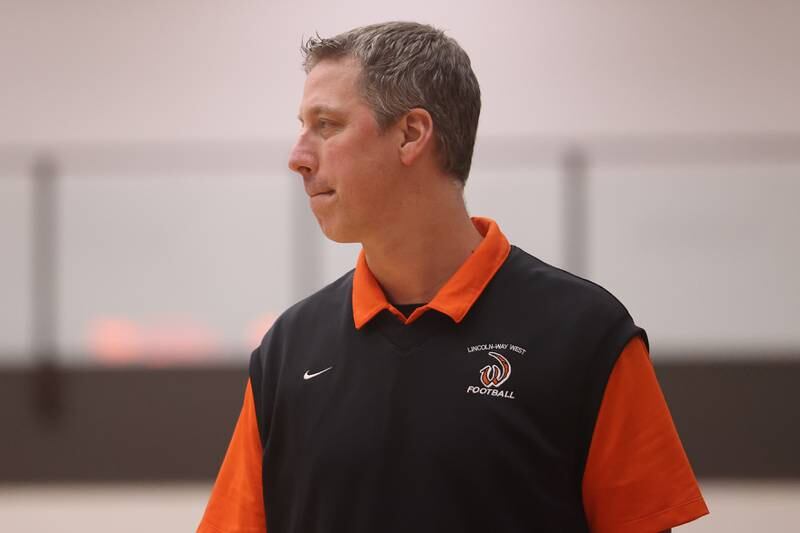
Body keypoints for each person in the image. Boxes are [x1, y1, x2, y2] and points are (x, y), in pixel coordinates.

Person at [197, 21, 709, 533]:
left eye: (326, 125)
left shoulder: (588, 336)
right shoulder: (288, 349)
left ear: (411, 134)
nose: (298, 157)